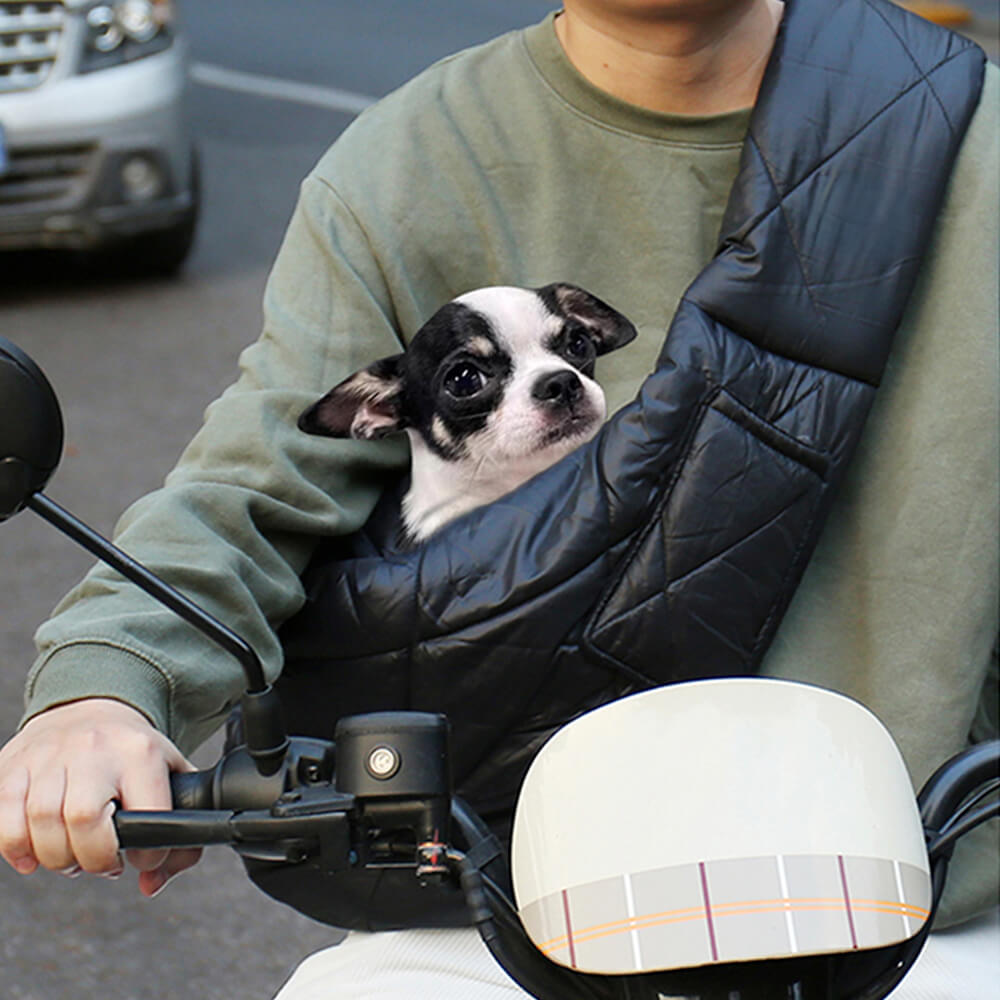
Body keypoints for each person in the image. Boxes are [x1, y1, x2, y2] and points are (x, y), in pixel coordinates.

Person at [1, 1, 997, 997]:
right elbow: (254, 487)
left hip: (932, 895)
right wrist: (103, 687)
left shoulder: (974, 137)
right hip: (521, 906)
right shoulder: (403, 166)